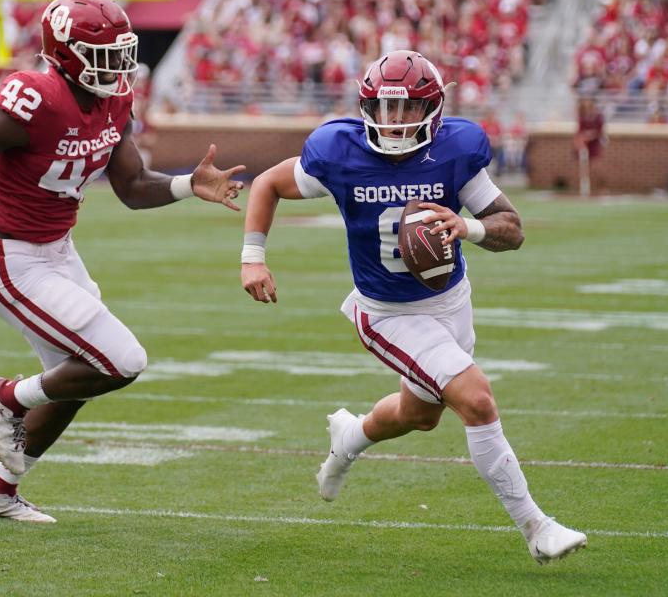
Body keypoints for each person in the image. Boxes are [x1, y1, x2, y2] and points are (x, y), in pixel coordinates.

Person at [0, 0, 245, 523]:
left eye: (122, 51)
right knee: (122, 360)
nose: (119, 65)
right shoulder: (36, 99)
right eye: (105, 53)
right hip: (10, 259)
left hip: (59, 253)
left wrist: (186, 185)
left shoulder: (113, 100)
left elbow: (131, 184)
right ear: (65, 53)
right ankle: (8, 397)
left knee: (76, 377)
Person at [240, 50, 586, 563]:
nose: (393, 121)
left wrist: (466, 225)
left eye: (406, 110)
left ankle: (350, 437)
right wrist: (253, 258)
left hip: (451, 300)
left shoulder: (454, 150)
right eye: (383, 108)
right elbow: (268, 182)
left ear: (433, 109)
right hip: (387, 313)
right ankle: (536, 527)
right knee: (477, 399)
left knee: (419, 415)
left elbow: (511, 229)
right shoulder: (339, 150)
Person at [573, 96, 605, 197]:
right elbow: (579, 132)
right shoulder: (582, 117)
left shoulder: (598, 116)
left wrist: (588, 137)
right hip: (584, 146)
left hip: (594, 145)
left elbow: (599, 132)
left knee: (597, 168)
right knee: (583, 169)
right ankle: (585, 190)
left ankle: (601, 188)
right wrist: (579, 142)